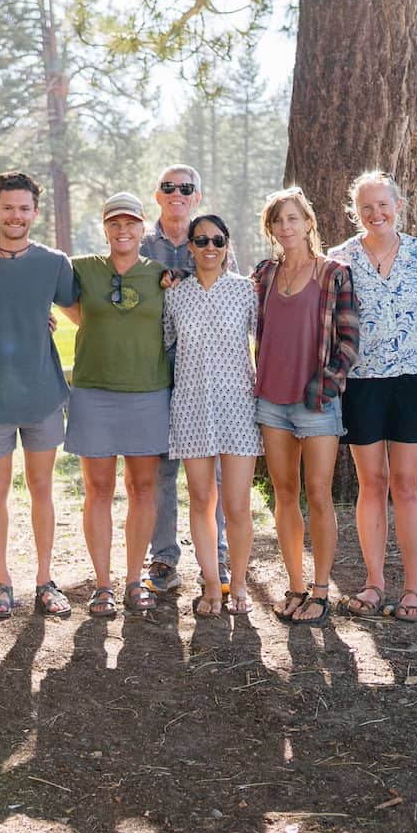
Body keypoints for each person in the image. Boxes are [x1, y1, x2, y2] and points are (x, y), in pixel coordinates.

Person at [0, 172, 78, 619]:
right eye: (8, 207)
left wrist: (52, 320)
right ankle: (2, 581)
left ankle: (46, 580)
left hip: (43, 394)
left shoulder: (54, 262)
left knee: (42, 489)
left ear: (36, 213)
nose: (16, 215)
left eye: (24, 208)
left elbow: (80, 312)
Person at [326, 172, 417, 623]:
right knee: (370, 483)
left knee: (407, 486)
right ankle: (375, 581)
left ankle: (413, 586)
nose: (376, 214)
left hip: (414, 380)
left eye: (383, 204)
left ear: (399, 204)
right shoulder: (340, 258)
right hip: (363, 381)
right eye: (366, 207)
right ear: (356, 212)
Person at [62, 192, 173, 618]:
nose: (123, 230)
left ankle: (133, 580)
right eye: (115, 223)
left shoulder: (162, 274)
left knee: (143, 488)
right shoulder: (82, 269)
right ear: (104, 228)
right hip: (94, 391)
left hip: (147, 391)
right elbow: (40, 277)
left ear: (144, 227)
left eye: (131, 222)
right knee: (99, 490)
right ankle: (103, 584)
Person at [251, 187, 358, 627]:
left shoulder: (333, 274)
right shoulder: (264, 275)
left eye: (294, 218)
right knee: (284, 493)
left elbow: (349, 342)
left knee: (318, 494)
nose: (286, 227)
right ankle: (295, 585)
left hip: (316, 403)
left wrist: (324, 388)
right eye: (278, 221)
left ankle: (320, 589)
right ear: (271, 229)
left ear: (308, 223)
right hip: (272, 401)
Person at [163, 213, 260, 618]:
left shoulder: (246, 292)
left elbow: (267, 343)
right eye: (201, 241)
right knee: (201, 499)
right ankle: (210, 584)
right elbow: (166, 343)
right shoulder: (175, 295)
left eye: (217, 241)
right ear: (189, 247)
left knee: (236, 503)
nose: (209, 248)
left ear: (227, 246)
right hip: (190, 406)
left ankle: (236, 583)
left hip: (238, 406)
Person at [138, 164, 228, 594]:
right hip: (152, 369)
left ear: (197, 195)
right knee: (161, 470)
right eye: (168, 187)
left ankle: (220, 556)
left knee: (215, 473)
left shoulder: (210, 239)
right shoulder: (139, 244)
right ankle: (163, 558)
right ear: (157, 195)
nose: (177, 193)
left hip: (204, 372)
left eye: (186, 188)